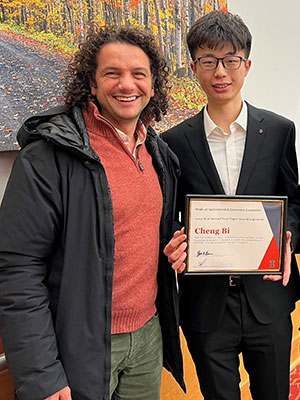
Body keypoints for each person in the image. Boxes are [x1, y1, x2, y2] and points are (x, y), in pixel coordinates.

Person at [0, 25, 185, 400]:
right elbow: (17, 267)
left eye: (138, 74)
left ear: (153, 84)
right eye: (112, 73)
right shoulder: (48, 155)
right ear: (92, 82)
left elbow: (141, 231)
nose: (126, 85)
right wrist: (41, 375)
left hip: (148, 338)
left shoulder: (159, 154)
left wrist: (175, 247)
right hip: (77, 346)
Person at [162, 11, 300, 400]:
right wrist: (173, 241)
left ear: (246, 65)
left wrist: (290, 238)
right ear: (194, 68)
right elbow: (169, 216)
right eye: (208, 61)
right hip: (206, 306)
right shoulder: (173, 141)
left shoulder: (277, 130)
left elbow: (294, 202)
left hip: (268, 299)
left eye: (230, 60)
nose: (220, 72)